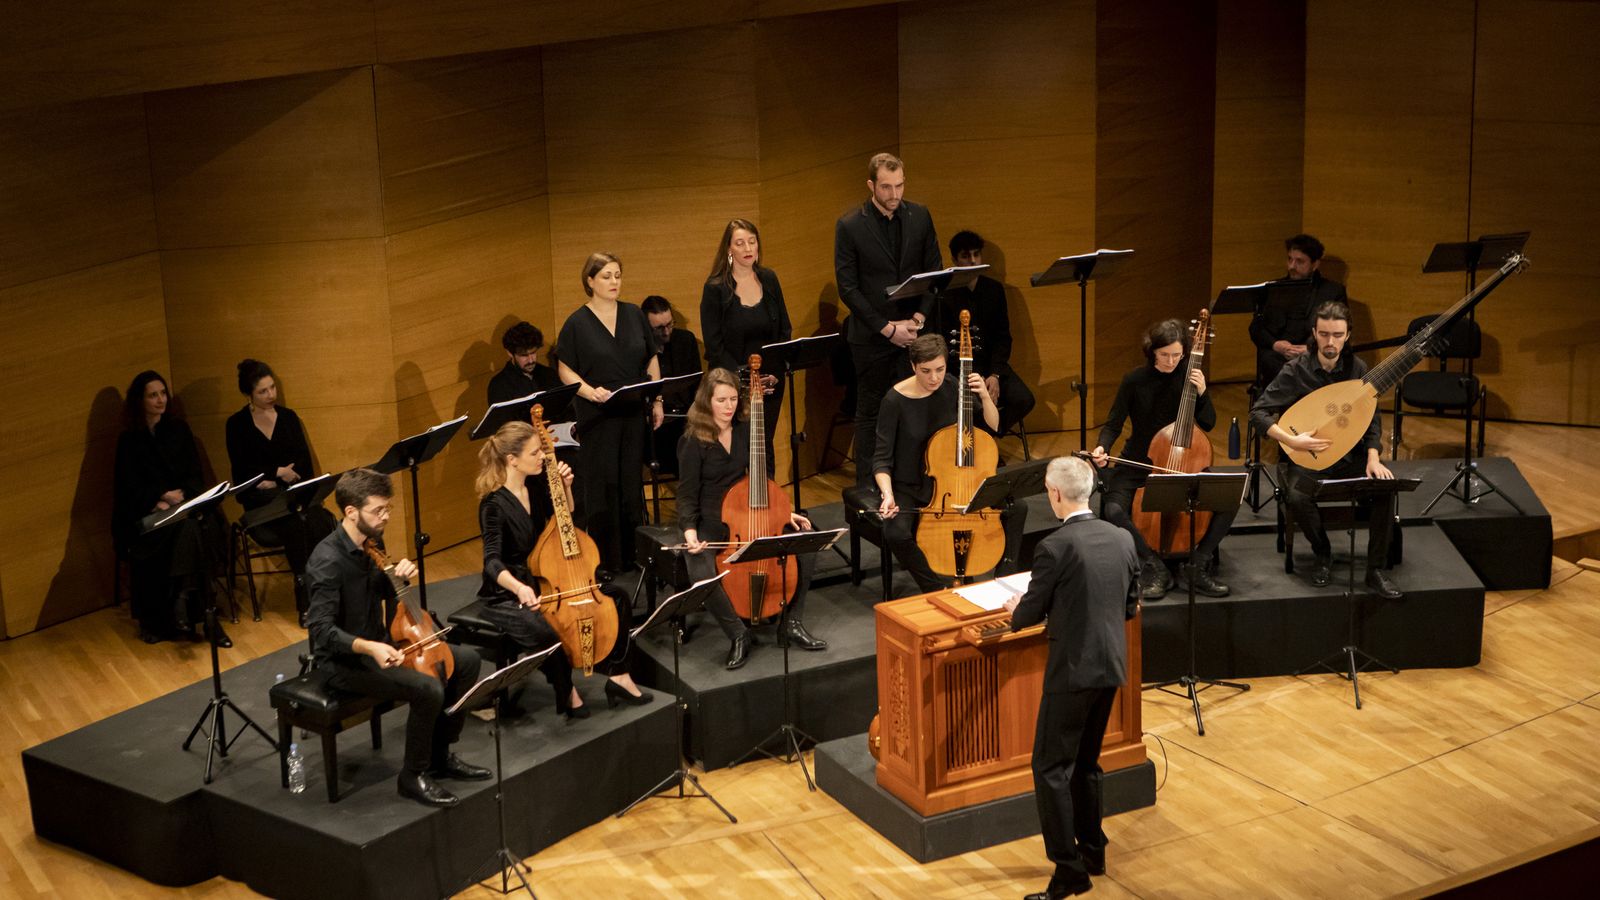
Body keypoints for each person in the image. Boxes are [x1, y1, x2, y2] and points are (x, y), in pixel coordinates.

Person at [303, 468, 490, 808]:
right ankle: (412, 775)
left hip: (381, 645)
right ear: (350, 512)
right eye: (379, 510)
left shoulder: (373, 542)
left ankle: (440, 756)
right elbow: (320, 630)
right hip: (345, 661)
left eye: (388, 508)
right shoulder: (326, 561)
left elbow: (373, 593)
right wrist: (369, 647)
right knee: (428, 687)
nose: (386, 516)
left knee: (466, 662)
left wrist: (396, 578)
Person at [1005, 455, 1140, 899]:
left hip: (1072, 672)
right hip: (1111, 667)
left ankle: (1069, 872)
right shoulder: (1122, 538)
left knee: (1050, 768)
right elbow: (1129, 605)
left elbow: (1027, 613)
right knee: (1086, 763)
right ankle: (1093, 851)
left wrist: (1015, 610)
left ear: (1055, 494)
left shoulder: (1054, 547)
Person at [474, 421, 650, 715]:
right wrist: (519, 589)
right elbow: (491, 561)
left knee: (617, 597)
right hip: (507, 590)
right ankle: (565, 690)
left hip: (544, 576)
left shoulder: (534, 485)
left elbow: (564, 516)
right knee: (544, 630)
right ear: (511, 460)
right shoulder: (492, 505)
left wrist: (565, 488)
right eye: (535, 453)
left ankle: (619, 674)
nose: (542, 457)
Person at [1250, 300, 1402, 599]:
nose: (1330, 342)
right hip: (1308, 454)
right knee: (1296, 495)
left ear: (1347, 336)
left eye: (1337, 335)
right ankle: (1323, 553)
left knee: (1386, 487)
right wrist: (1292, 441)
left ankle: (1375, 570)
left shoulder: (1357, 368)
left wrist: (1373, 457)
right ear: (1314, 333)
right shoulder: (1296, 370)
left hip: (1349, 456)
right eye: (1323, 334)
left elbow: (1371, 416)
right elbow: (1259, 413)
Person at [677, 369, 827, 669]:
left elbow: (763, 477)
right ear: (707, 401)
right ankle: (738, 634)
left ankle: (791, 622)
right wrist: (690, 531)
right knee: (699, 569)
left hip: (755, 513)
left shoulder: (747, 431)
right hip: (714, 523)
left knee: (809, 540)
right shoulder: (694, 441)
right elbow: (686, 493)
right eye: (721, 400)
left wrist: (782, 511)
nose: (728, 406)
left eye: (733, 399)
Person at [1090, 320, 1235, 599]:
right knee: (1114, 510)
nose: (1170, 361)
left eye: (1177, 355)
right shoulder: (1134, 380)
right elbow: (1113, 424)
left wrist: (1203, 393)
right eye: (1164, 355)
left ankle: (1197, 564)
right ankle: (1152, 564)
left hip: (1186, 462)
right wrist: (1101, 448)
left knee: (1229, 500)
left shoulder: (1190, 377)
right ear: (1152, 352)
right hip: (1140, 460)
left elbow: (1209, 422)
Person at [835, 153, 942, 488]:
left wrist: (918, 318)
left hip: (915, 330)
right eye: (886, 187)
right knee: (871, 414)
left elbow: (935, 271)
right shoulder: (850, 225)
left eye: (899, 185)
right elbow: (848, 288)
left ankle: (917, 481)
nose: (894, 194)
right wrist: (887, 329)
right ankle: (869, 488)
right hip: (872, 339)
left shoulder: (920, 215)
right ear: (871, 185)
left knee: (921, 407)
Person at [557, 252, 663, 574]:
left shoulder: (633, 314)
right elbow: (565, 368)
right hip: (597, 414)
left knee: (631, 482)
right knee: (602, 486)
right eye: (606, 276)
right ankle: (605, 561)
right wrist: (589, 392)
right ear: (590, 281)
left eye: (617, 275)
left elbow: (651, 359)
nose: (614, 281)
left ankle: (636, 555)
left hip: (632, 411)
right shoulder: (577, 323)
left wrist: (656, 399)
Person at [874, 334, 1003, 596]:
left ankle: (1001, 578)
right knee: (895, 533)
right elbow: (881, 459)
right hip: (910, 484)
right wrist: (887, 495)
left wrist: (985, 398)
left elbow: (994, 426)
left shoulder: (952, 386)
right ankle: (935, 589)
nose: (934, 378)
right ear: (913, 366)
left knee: (1017, 507)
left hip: (952, 482)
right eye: (926, 371)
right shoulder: (894, 400)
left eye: (940, 370)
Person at [113, 370, 228, 645]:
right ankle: (204, 615)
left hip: (182, 507)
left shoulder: (179, 430)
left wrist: (180, 497)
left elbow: (194, 475)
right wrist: (159, 497)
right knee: (189, 529)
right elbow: (126, 488)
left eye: (163, 393)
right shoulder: (129, 441)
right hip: (148, 515)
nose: (160, 400)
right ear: (139, 401)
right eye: (153, 395)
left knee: (198, 525)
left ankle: (183, 595)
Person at [224, 359, 338, 622]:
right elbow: (242, 475)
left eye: (272, 387)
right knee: (295, 515)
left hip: (292, 496)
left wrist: (269, 477)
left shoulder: (288, 418)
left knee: (313, 517)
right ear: (249, 394)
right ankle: (306, 596)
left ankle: (321, 588)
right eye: (263, 391)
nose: (271, 395)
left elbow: (304, 467)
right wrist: (277, 473)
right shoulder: (236, 425)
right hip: (259, 504)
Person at [700, 218, 794, 455]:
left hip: (771, 380)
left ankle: (766, 492)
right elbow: (714, 346)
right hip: (734, 384)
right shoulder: (715, 288)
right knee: (742, 448)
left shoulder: (769, 279)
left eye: (752, 242)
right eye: (740, 243)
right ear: (729, 249)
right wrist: (742, 379)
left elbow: (784, 328)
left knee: (765, 445)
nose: (748, 249)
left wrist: (774, 372)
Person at [935, 229, 1036, 436]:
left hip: (991, 366)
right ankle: (981, 446)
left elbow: (1003, 336)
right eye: (965, 256)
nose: (973, 261)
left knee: (1024, 399)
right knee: (973, 406)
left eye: (976, 254)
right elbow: (941, 342)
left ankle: (987, 439)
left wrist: (995, 374)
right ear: (954, 260)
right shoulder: (943, 293)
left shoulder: (994, 289)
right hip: (959, 370)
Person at [1249, 233, 1349, 384]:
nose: (1291, 266)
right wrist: (1276, 345)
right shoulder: (1273, 289)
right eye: (1290, 259)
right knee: (1273, 363)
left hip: (1315, 353)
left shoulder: (1333, 291)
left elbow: (1343, 332)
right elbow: (1256, 328)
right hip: (1278, 356)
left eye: (1299, 261)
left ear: (1315, 264)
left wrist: (1312, 349)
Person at [641, 294, 703, 477]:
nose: (667, 332)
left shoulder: (686, 340)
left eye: (670, 324)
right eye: (659, 328)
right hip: (655, 425)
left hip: (686, 418)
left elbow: (697, 382)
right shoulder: (640, 349)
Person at [488, 321, 563, 407]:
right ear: (510, 353)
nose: (531, 360)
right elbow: (502, 419)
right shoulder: (499, 386)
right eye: (524, 355)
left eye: (533, 353)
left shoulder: (549, 374)